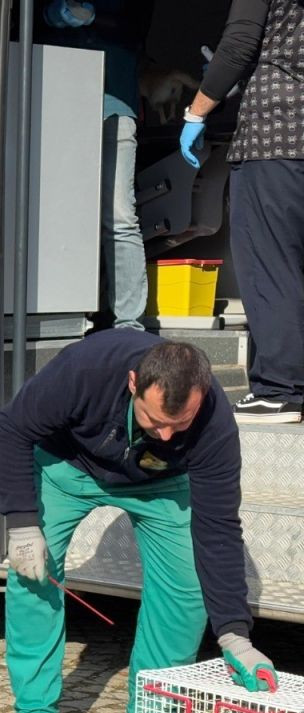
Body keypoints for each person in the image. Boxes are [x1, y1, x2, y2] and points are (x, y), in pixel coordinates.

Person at [0, 331, 276, 713]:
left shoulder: (214, 420)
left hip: (160, 486)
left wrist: (235, 634)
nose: (165, 435)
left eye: (179, 424)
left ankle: (153, 711)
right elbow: (13, 427)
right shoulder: (83, 370)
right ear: (132, 383)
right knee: (32, 574)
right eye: (154, 419)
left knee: (186, 587)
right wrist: (22, 524)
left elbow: (217, 528)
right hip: (67, 468)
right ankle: (34, 712)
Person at [180, 0, 304, 423]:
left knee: (272, 264)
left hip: (277, 135)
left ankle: (280, 390)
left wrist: (196, 112)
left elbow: (238, 45)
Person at [40, 0, 152, 330]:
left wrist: (91, 16)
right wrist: (51, 14)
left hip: (113, 102)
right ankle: (63, 315)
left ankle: (129, 325)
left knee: (119, 216)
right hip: (54, 92)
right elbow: (20, 20)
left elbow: (136, 26)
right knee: (59, 212)